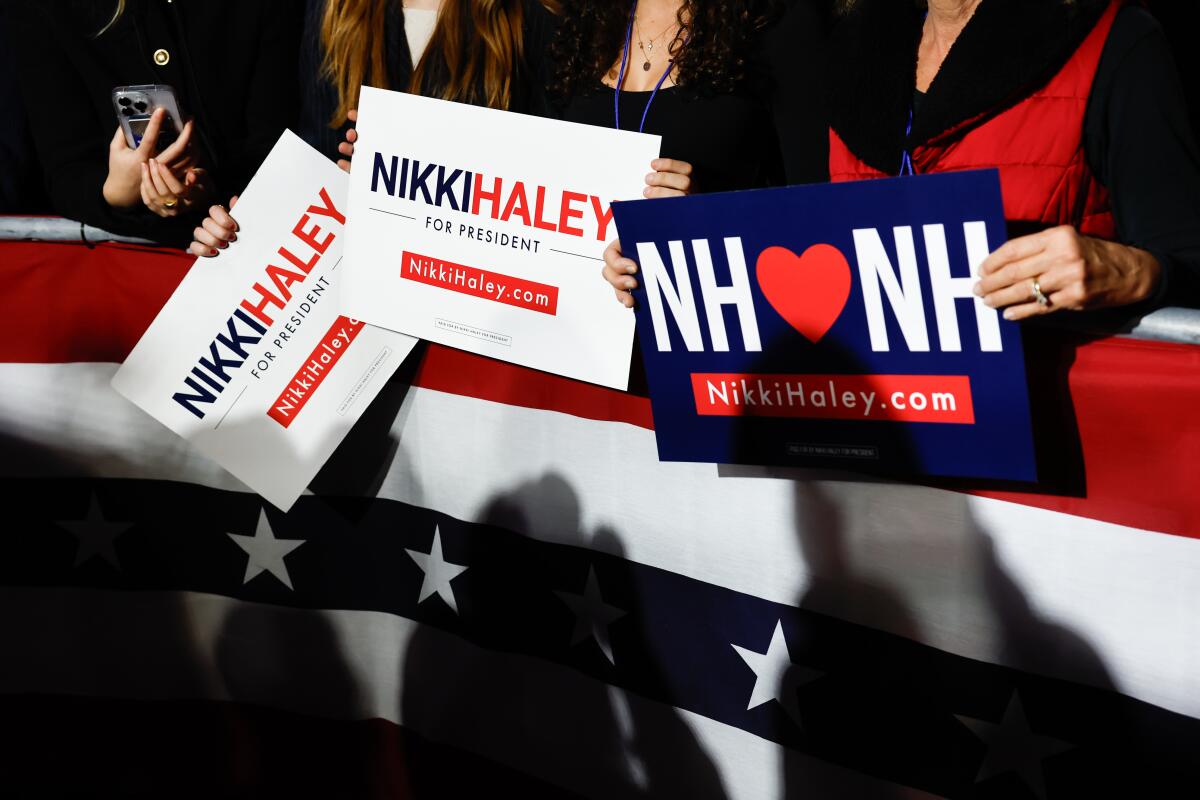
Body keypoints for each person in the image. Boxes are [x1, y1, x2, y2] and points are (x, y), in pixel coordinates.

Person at [825, 0, 1200, 317]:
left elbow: (1186, 261)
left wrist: (1133, 273)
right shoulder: (849, 52)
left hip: (1059, 379)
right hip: (892, 383)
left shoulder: (1112, 39)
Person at [192, 0, 557, 256]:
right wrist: (239, 232)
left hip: (463, 276)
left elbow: (544, 182)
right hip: (349, 273)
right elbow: (311, 165)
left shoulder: (527, 16)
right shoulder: (335, 10)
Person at [584, 0, 830, 307]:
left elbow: (818, 214)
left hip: (717, 312)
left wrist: (708, 219)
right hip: (579, 320)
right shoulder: (581, 21)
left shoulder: (774, 22)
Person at [3, 0, 300, 247]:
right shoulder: (45, 9)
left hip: (260, 238)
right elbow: (65, 171)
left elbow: (279, 140)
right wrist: (117, 192)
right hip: (137, 261)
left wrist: (213, 200)